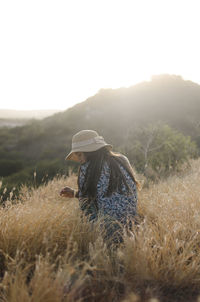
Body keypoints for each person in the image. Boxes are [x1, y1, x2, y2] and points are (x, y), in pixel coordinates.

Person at [60, 130, 138, 246]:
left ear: (90, 152)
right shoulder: (122, 159)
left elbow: (86, 200)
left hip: (106, 232)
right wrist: (76, 193)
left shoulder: (87, 168)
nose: (78, 158)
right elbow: (108, 192)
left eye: (80, 154)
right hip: (130, 224)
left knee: (84, 207)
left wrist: (77, 194)